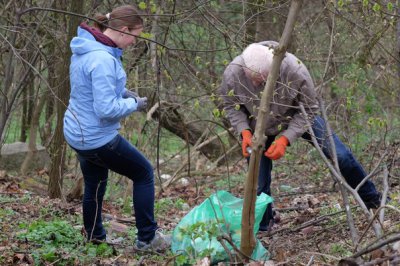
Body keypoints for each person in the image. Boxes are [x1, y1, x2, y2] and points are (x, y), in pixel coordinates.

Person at [217, 41, 383, 231]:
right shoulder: (233, 72)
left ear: (273, 68)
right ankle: (264, 224)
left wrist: (285, 138)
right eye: (251, 79)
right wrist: (244, 131)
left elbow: (311, 109)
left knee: (342, 157)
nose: (255, 84)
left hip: (297, 116)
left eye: (261, 79)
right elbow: (231, 106)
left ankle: (373, 201)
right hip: (258, 126)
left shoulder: (295, 70)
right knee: (258, 181)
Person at [63, 5, 170, 251]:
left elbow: (89, 87)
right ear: (123, 30)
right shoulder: (102, 58)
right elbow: (105, 109)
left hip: (76, 131)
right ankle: (147, 239)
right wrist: (134, 103)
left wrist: (122, 92)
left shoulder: (88, 47)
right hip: (96, 137)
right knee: (143, 173)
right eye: (135, 36)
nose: (134, 42)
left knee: (95, 183)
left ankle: (94, 237)